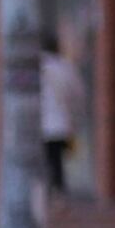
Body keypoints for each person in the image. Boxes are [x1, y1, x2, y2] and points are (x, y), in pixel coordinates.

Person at [34, 36, 81, 195]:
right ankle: (59, 192)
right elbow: (78, 92)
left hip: (40, 123)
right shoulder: (65, 67)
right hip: (61, 121)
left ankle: (44, 193)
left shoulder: (36, 68)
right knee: (57, 160)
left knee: (43, 161)